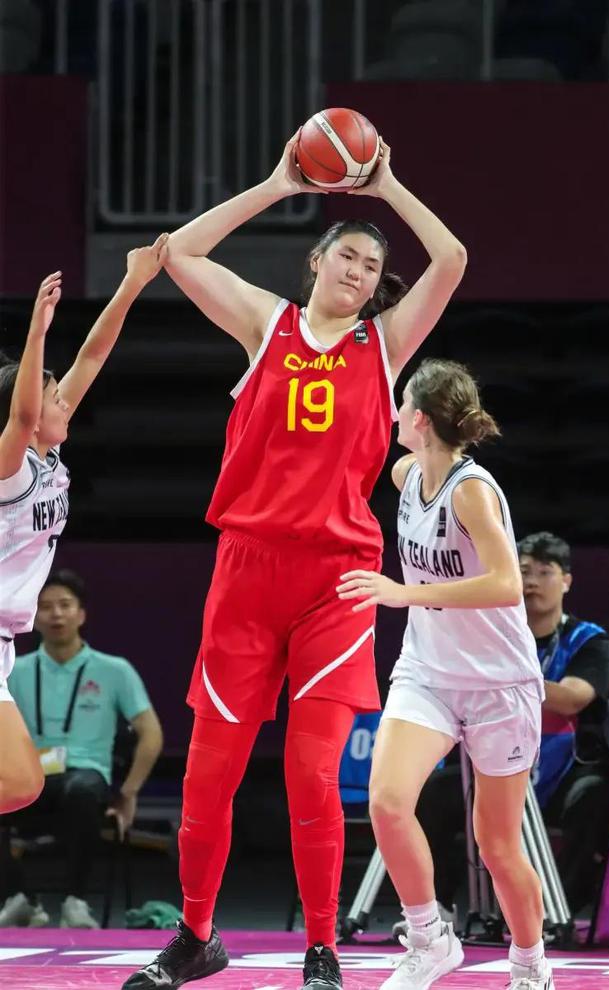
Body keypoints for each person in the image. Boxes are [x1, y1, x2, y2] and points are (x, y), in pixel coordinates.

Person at [122, 132, 467, 990]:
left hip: (335, 582)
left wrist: (388, 188)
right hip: (246, 572)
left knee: (313, 777)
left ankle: (322, 948)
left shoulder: (385, 346)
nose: (357, 270)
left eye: (370, 265)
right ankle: (195, 937)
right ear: (315, 260)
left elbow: (453, 260)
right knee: (208, 779)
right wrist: (279, 184)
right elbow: (178, 253)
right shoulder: (264, 322)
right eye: (345, 254)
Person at [337, 359, 554, 990]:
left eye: (403, 403)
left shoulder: (471, 491)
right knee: (387, 801)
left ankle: (530, 963)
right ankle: (431, 939)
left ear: (423, 420)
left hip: (498, 683)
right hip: (428, 672)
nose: (395, 413)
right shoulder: (407, 473)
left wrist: (404, 593)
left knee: (497, 845)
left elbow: (506, 583)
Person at [0, 235, 168, 816]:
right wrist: (37, 332)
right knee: (21, 782)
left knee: (22, 786)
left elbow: (92, 357)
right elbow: (24, 412)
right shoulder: (11, 468)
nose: (64, 403)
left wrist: (132, 284)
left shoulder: (49, 455)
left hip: (4, 641)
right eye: (55, 398)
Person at [0, 569, 163, 928]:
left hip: (87, 777)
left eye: (65, 605)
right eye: (45, 607)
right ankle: (19, 897)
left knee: (81, 790)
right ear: (32, 616)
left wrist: (129, 792)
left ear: (82, 614)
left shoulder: (114, 670)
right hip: (32, 777)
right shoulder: (11, 670)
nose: (56, 614)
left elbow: (151, 732)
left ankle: (76, 902)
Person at [518, 531, 609, 914]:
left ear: (566, 581)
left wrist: (505, 677)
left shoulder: (590, 641)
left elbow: (573, 699)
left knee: (593, 793)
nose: (531, 582)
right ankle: (439, 906)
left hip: (568, 770)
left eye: (544, 572)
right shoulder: (495, 637)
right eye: (523, 571)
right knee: (438, 790)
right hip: (499, 765)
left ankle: (560, 911)